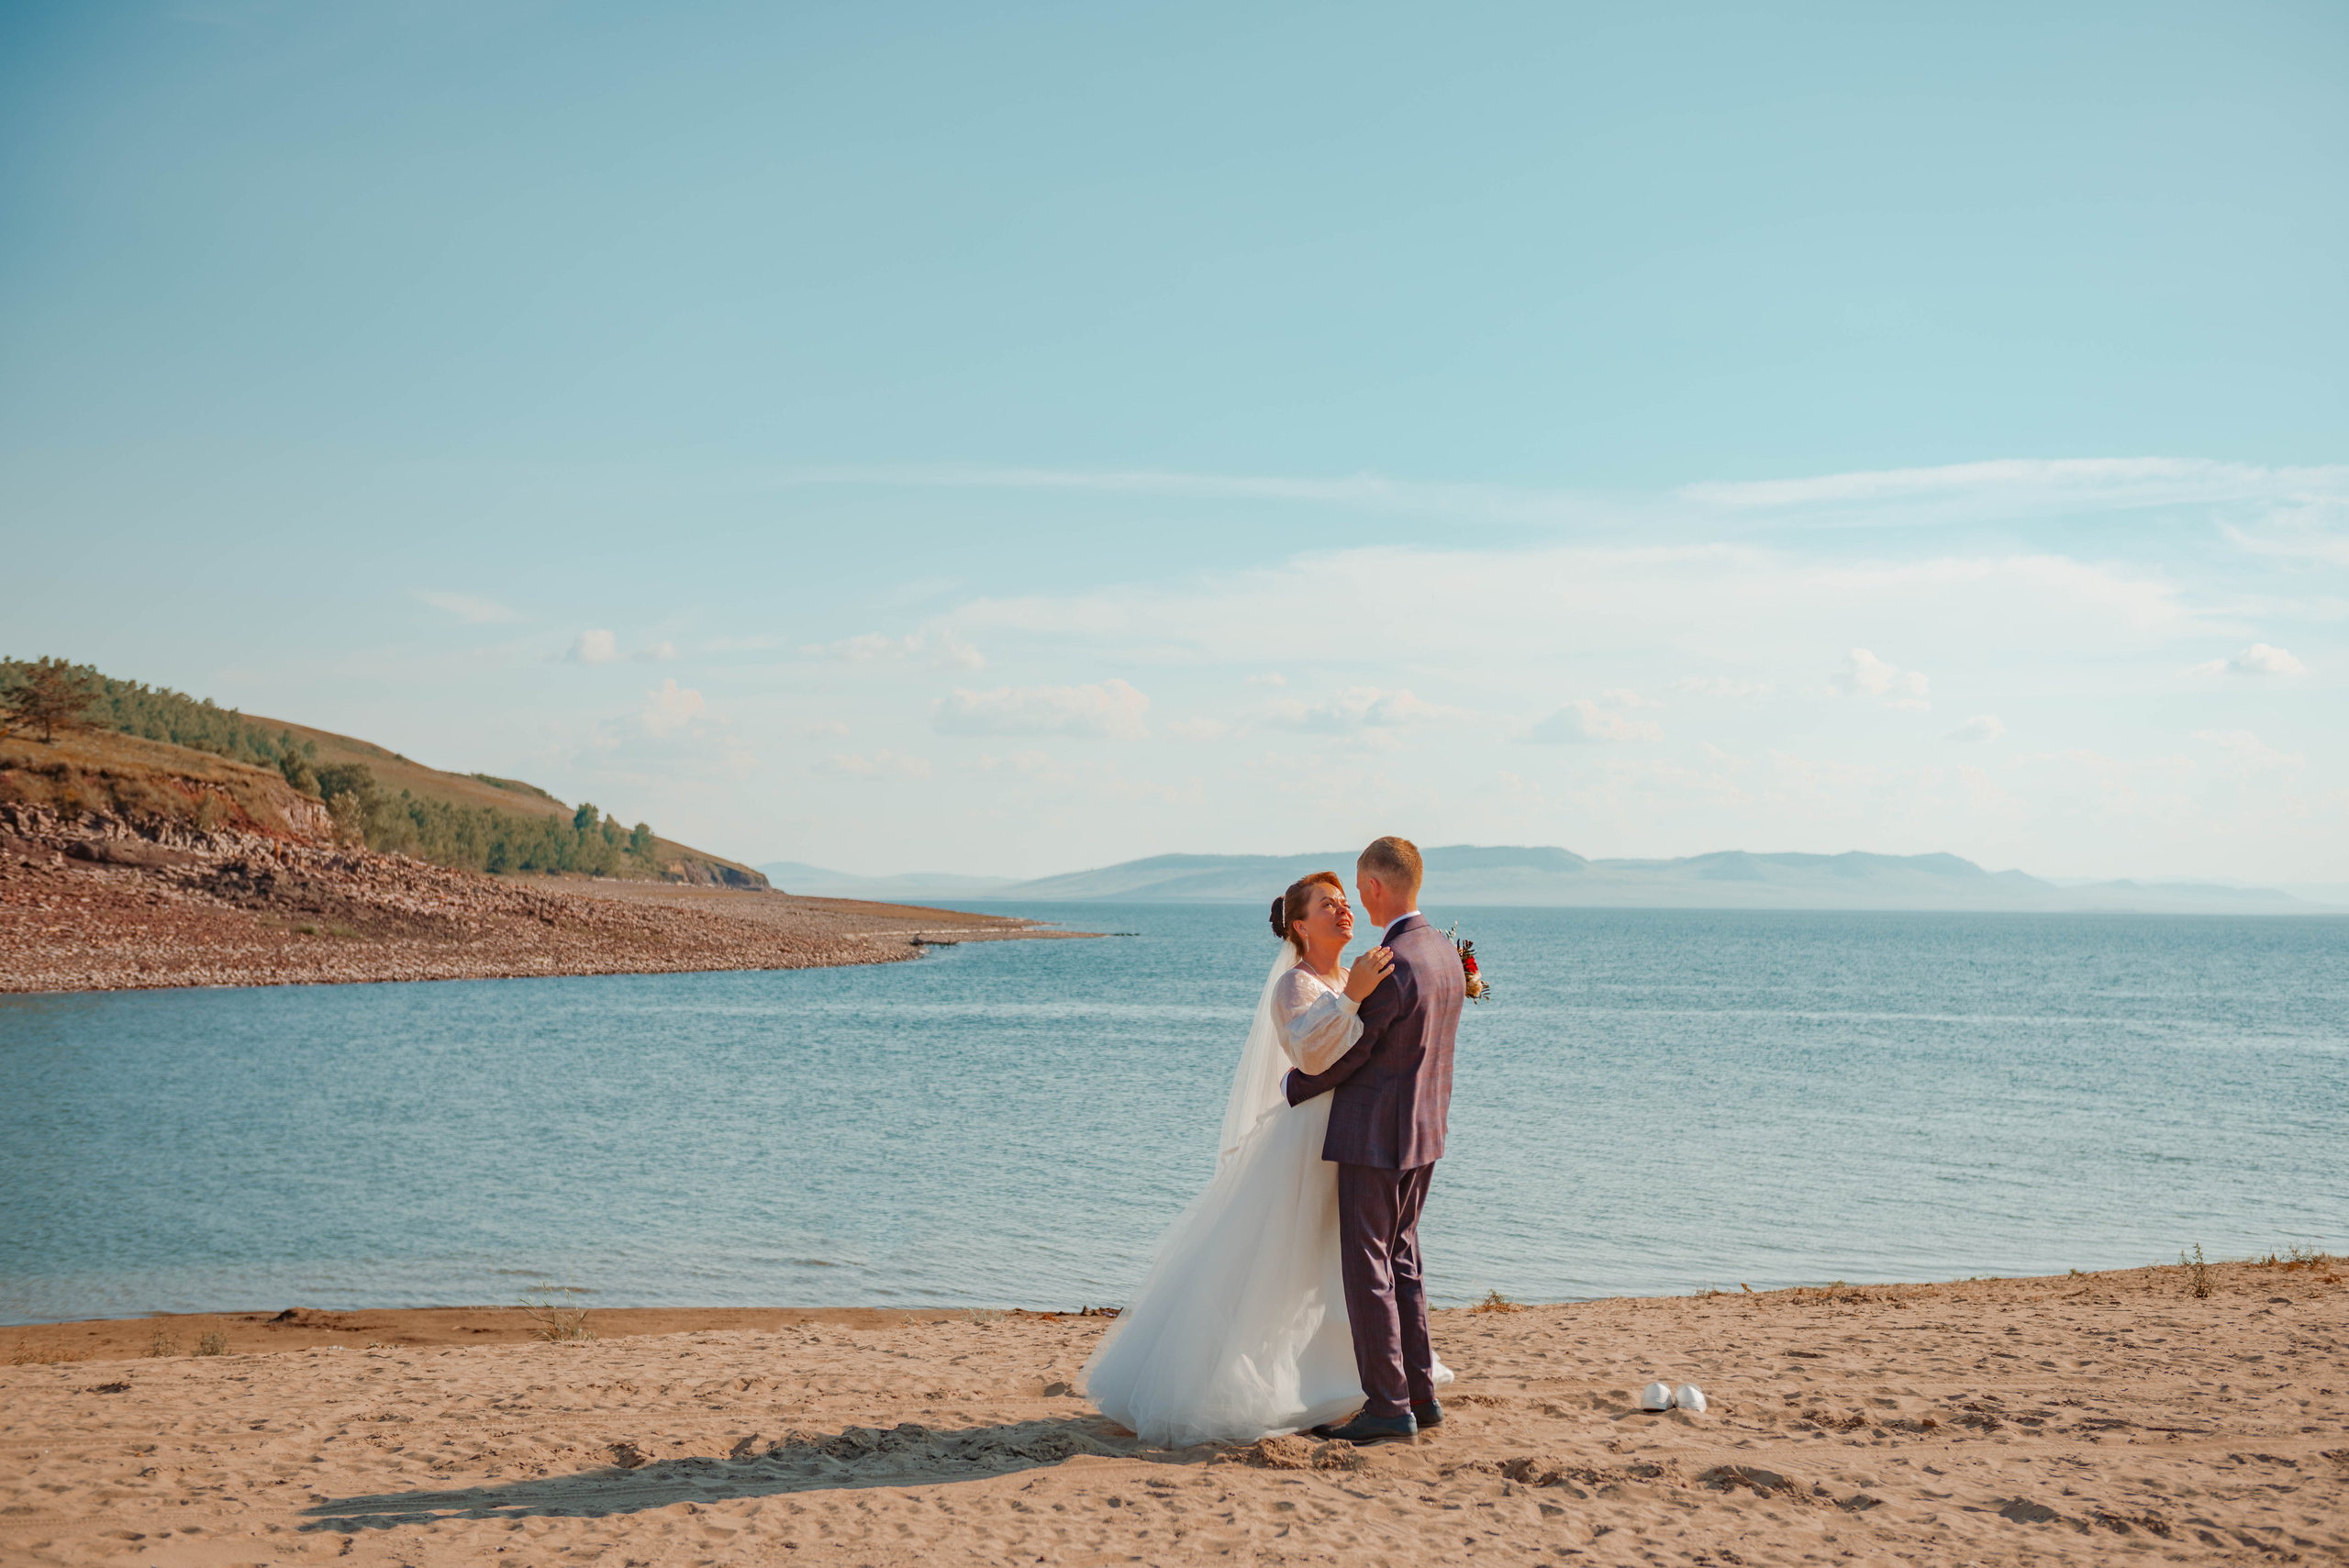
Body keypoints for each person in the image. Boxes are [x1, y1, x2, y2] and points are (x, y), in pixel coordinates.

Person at [1080, 864, 1453, 1446]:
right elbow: (1311, 1057)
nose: (1342, 908)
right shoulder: (1297, 986)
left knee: (1352, 1267)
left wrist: (1358, 992)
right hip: (1312, 1140)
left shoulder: (1365, 973)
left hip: (1361, 1137)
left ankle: (1370, 1384)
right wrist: (1351, 997)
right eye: (1327, 905)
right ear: (1301, 927)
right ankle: (1307, 1385)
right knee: (1290, 1264)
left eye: (1343, 900)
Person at [1284, 835, 1464, 1445]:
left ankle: (1389, 1408)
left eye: (1359, 889)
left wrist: (1295, 1086)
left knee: (1369, 1265)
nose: (1356, 899)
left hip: (1375, 1136)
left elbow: (1352, 1053)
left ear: (1377, 887)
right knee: (1404, 1257)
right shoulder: (1442, 952)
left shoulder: (1393, 963)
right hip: (1424, 1131)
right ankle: (1421, 1394)